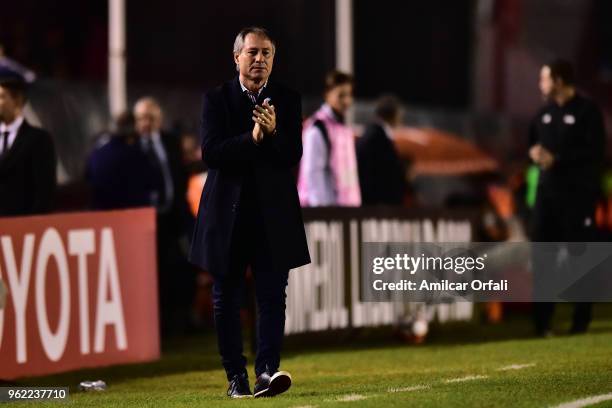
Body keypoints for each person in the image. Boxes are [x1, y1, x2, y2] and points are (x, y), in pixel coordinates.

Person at [189, 27, 310, 398]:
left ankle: (267, 373)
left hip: (273, 215)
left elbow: (293, 155)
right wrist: (252, 138)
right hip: (228, 215)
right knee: (226, 295)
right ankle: (235, 377)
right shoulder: (217, 99)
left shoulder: (287, 99)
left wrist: (273, 135)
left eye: (267, 53)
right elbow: (210, 153)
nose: (260, 59)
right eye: (253, 52)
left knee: (273, 296)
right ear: (237, 57)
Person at [528, 59, 606, 336]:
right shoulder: (543, 114)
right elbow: (533, 144)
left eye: (544, 78)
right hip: (547, 197)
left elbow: (596, 153)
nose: (540, 84)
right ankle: (541, 324)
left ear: (558, 80)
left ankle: (580, 322)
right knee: (543, 257)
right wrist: (535, 154)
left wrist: (558, 159)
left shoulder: (587, 112)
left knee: (581, 256)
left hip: (577, 197)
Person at [132, 97, 193, 336]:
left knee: (181, 270)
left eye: (150, 118)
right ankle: (158, 327)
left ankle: (183, 321)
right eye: (141, 119)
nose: (145, 123)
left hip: (175, 217)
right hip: (146, 221)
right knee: (153, 275)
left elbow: (179, 175)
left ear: (159, 120)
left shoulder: (170, 142)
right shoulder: (132, 147)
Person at [297, 70, 361, 206]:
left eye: (349, 95)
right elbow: (313, 175)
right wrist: (323, 216)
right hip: (326, 216)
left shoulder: (343, 128)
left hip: (343, 214)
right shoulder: (317, 129)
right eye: (341, 95)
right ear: (327, 95)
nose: (347, 101)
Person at [0, 68, 56, 217]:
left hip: (23, 231)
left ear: (17, 100)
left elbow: (44, 193)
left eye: (1, 96)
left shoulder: (39, 140)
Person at [356, 94, 407, 205]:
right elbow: (381, 175)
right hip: (376, 207)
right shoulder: (377, 137)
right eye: (400, 114)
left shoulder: (372, 134)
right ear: (393, 114)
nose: (401, 119)